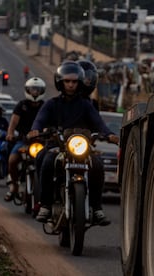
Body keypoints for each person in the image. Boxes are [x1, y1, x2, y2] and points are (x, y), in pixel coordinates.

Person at [28, 61, 119, 226]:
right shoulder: (51, 104)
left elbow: (99, 123)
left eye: (74, 81)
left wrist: (110, 134)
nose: (70, 85)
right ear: (60, 82)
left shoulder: (86, 105)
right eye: (67, 81)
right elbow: (39, 120)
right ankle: (45, 205)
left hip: (80, 147)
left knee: (97, 165)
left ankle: (97, 208)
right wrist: (35, 130)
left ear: (79, 83)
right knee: (46, 160)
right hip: (58, 145)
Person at [4, 77, 46, 201]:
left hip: (41, 142)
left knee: (50, 162)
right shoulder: (21, 105)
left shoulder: (45, 106)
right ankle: (14, 186)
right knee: (12, 160)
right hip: (23, 141)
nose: (35, 92)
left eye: (37, 90)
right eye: (33, 89)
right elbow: (13, 122)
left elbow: (50, 122)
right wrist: (10, 133)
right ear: (28, 90)